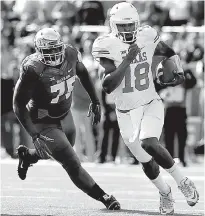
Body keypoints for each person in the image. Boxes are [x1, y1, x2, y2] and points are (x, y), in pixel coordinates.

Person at [92, 2, 199, 215]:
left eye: (130, 25)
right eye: (121, 26)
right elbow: (107, 86)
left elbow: (166, 51)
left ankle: (183, 181)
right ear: (113, 26)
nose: (126, 30)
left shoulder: (147, 35)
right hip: (125, 113)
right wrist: (127, 60)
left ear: (137, 24)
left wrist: (173, 68)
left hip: (150, 102)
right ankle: (165, 191)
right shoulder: (106, 45)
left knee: (149, 142)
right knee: (146, 162)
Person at [13, 28, 120, 210]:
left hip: (64, 113)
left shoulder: (70, 53)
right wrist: (34, 134)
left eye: (56, 49)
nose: (54, 54)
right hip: (43, 119)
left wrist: (95, 101)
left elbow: (83, 72)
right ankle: (105, 197)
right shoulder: (33, 69)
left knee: (54, 152)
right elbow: (17, 104)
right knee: (71, 161)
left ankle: (27, 156)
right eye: (49, 50)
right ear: (39, 51)